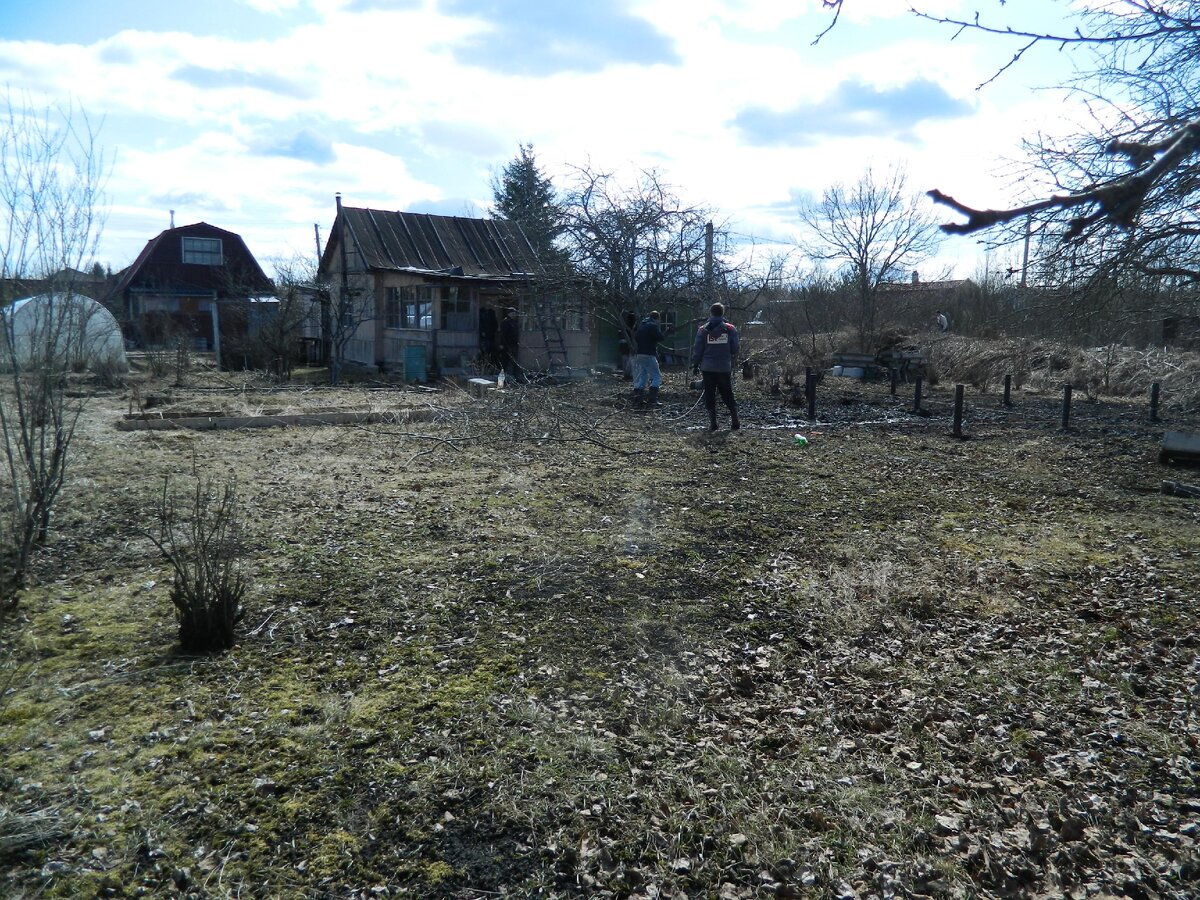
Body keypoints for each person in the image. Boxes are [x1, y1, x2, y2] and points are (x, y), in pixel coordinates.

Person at [692, 302, 740, 431]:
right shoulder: (730, 329)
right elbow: (735, 348)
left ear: (711, 313)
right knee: (727, 393)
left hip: (707, 367)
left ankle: (713, 423)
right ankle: (735, 419)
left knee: (709, 393)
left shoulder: (702, 330)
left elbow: (697, 350)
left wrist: (695, 364)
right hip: (724, 367)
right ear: (723, 313)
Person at [632, 310, 665, 407]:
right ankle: (652, 399)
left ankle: (638, 399)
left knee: (643, 375)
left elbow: (636, 338)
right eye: (659, 319)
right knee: (657, 375)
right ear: (656, 318)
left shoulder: (642, 326)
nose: (659, 321)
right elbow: (660, 338)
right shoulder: (653, 326)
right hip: (649, 354)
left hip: (639, 354)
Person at [498, 307, 519, 378]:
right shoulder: (505, 322)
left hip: (514, 344)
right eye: (512, 313)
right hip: (507, 344)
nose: (514, 314)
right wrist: (502, 344)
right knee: (505, 360)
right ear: (509, 313)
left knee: (514, 361)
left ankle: (514, 376)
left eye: (515, 313)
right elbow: (503, 334)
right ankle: (502, 376)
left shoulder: (514, 322)